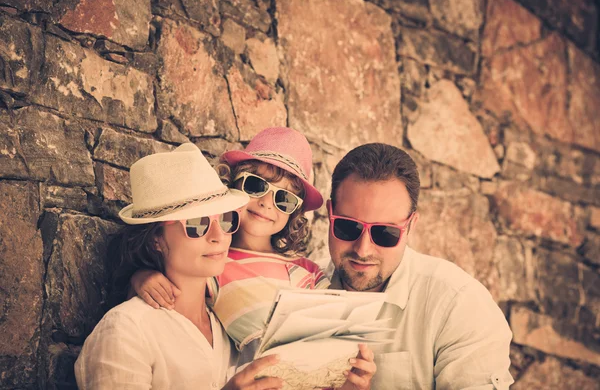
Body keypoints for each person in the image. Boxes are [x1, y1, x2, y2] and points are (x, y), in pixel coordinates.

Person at [129, 128, 376, 389]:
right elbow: (172, 301)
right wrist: (141, 276)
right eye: (256, 186)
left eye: (285, 199)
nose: (267, 203)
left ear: (293, 213)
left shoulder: (309, 271)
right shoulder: (214, 263)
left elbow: (332, 339)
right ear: (232, 185)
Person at [74, 143, 284, 390]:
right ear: (156, 239)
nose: (218, 236)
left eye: (226, 219)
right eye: (197, 223)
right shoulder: (126, 329)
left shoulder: (231, 326)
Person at [327, 143, 514, 389]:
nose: (363, 250)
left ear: (411, 226)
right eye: (348, 227)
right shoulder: (299, 285)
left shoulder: (458, 305)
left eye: (385, 233)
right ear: (329, 213)